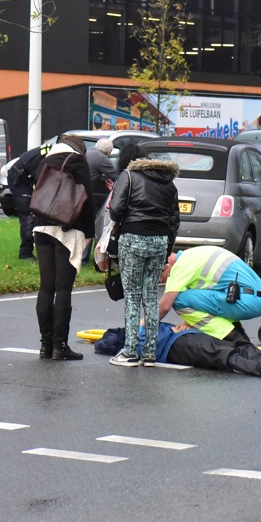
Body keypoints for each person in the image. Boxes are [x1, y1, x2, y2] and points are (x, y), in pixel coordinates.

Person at [105, 150, 180, 367]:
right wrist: (167, 248)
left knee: (132, 296)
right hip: (159, 240)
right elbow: (175, 220)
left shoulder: (128, 176)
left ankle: (129, 352)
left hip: (132, 237)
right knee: (150, 296)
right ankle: (149, 354)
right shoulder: (169, 184)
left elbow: (116, 209)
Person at [32, 135, 97, 360]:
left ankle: (45, 346)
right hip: (68, 229)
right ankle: (60, 346)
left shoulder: (44, 161)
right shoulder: (77, 162)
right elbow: (87, 200)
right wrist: (90, 234)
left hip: (41, 228)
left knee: (46, 287)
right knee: (63, 289)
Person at [95, 323, 261, 377]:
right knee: (221, 354)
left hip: (185, 336)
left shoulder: (143, 325)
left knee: (236, 345)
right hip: (173, 347)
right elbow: (103, 344)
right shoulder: (126, 339)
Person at [156, 246, 261, 345]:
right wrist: (188, 323)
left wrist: (143, 325)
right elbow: (200, 300)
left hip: (246, 301)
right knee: (204, 299)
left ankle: (231, 335)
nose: (161, 280)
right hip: (260, 298)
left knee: (178, 300)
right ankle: (238, 332)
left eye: (159, 277)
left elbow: (165, 306)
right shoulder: (194, 254)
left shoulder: (179, 266)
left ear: (167, 265)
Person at [8, 143, 48, 260]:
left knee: (30, 216)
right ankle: (25, 253)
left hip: (23, 177)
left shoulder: (49, 150)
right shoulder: (50, 154)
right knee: (27, 217)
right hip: (19, 179)